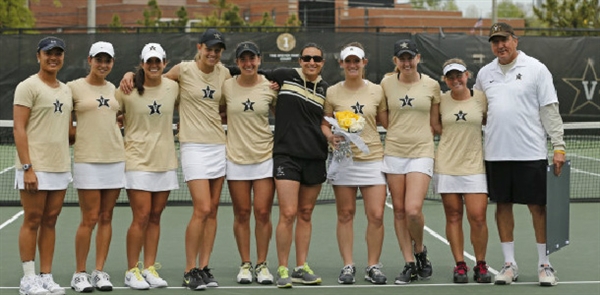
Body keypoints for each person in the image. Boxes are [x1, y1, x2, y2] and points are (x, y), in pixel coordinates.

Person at [120, 29, 231, 290]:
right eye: (209, 48)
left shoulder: (224, 73)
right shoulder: (182, 70)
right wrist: (128, 74)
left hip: (219, 145)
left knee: (212, 211)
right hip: (193, 146)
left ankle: (203, 268)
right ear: (199, 47)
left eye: (218, 50)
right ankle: (189, 269)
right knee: (202, 208)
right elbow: (151, 82)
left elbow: (225, 104)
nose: (213, 53)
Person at [474, 22, 566, 286]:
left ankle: (545, 264)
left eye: (504, 40)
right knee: (502, 206)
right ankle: (509, 264)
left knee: (538, 208)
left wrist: (558, 146)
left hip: (530, 153)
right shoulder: (484, 74)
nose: (500, 46)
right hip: (496, 154)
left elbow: (550, 110)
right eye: (495, 41)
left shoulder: (536, 69)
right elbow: (479, 114)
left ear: (515, 40)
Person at [321, 42, 389, 285]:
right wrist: (330, 137)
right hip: (345, 161)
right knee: (345, 214)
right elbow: (325, 122)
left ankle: (373, 266)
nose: (352, 65)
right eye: (347, 61)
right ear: (341, 64)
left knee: (377, 215)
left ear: (364, 63)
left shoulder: (378, 91)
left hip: (373, 161)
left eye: (356, 61)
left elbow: (387, 121)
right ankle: (348, 265)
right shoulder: (332, 92)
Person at [115, 42, 179, 290]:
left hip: (165, 161)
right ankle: (132, 270)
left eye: (158, 61)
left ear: (164, 63)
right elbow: (108, 116)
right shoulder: (126, 90)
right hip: (137, 161)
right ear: (142, 64)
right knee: (140, 217)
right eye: (149, 61)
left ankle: (149, 267)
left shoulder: (173, 87)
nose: (154, 65)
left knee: (155, 217)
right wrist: (128, 76)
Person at [266, 43, 328, 288]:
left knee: (305, 213)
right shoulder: (285, 76)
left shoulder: (325, 89)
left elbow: (325, 121)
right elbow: (245, 73)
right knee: (288, 212)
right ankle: (282, 268)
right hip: (286, 156)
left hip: (315, 157)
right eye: (306, 58)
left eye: (316, 58)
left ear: (322, 62)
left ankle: (301, 267)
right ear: (300, 60)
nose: (311, 62)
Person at [13, 36, 72, 295]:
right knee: (33, 219)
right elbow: (18, 128)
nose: (53, 57)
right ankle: (28, 279)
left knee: (50, 220)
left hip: (60, 166)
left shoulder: (67, 90)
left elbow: (68, 131)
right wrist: (28, 167)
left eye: (58, 53)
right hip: (34, 167)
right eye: (48, 53)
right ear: (39, 56)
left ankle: (46, 276)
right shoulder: (27, 86)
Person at [380, 39, 439, 284]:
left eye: (410, 57)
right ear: (395, 61)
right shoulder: (385, 83)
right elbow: (384, 119)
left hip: (422, 152)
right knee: (400, 210)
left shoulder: (432, 85)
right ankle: (409, 262)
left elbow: (435, 124)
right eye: (402, 58)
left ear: (418, 58)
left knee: (413, 210)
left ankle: (420, 249)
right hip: (394, 152)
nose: (406, 62)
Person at [68, 41, 125, 292]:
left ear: (112, 62)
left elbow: (119, 116)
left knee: (106, 217)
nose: (103, 64)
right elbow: (62, 119)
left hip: (115, 158)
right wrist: (76, 134)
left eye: (108, 60)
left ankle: (99, 271)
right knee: (89, 218)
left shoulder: (116, 90)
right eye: (98, 59)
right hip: (87, 160)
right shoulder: (73, 88)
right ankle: (79, 273)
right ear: (89, 59)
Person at [222, 41, 278, 285]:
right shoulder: (226, 87)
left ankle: (262, 264)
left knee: (263, 213)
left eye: (252, 58)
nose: (248, 63)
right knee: (242, 213)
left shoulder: (270, 87)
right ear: (237, 63)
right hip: (236, 158)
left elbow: (283, 116)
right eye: (243, 59)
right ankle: (245, 264)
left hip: (265, 157)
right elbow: (215, 110)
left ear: (259, 60)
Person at [431, 58, 491, 284]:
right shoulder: (440, 100)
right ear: (445, 79)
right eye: (450, 76)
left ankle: (481, 264)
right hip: (447, 166)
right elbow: (435, 127)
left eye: (459, 75)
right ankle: (460, 265)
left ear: (467, 75)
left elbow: (489, 121)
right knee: (454, 215)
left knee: (477, 217)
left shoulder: (481, 99)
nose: (455, 80)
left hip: (475, 167)